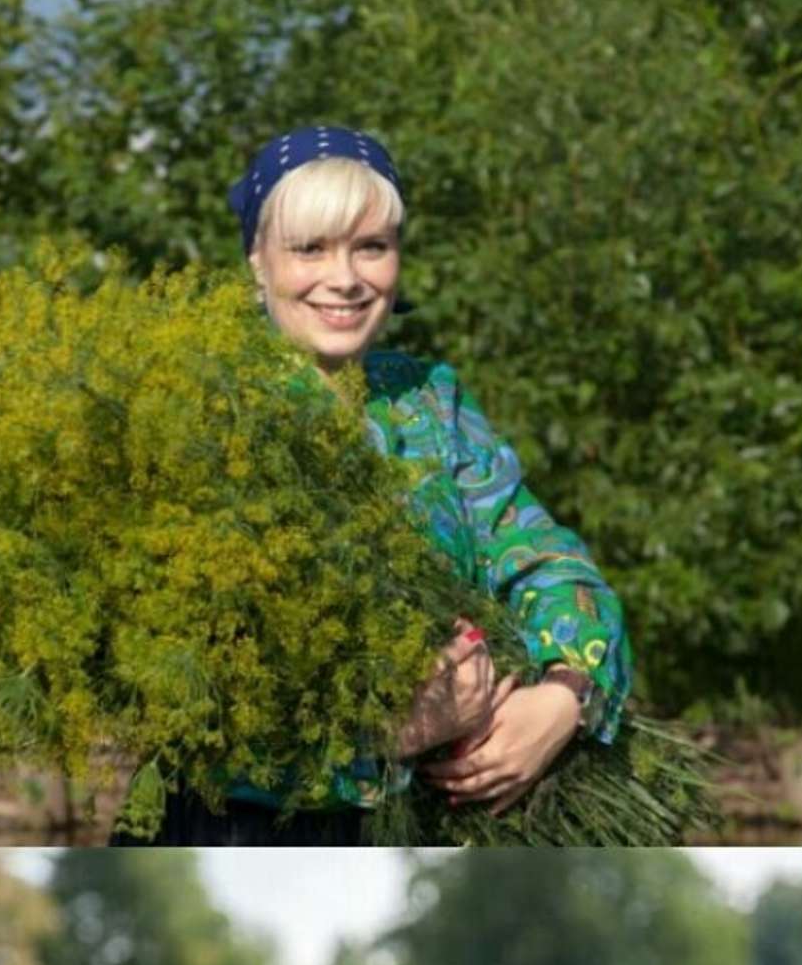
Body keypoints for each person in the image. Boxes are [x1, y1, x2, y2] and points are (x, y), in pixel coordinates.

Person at [143, 126, 633, 844]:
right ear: (257, 260)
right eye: (310, 248)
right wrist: (383, 734)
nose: (345, 278)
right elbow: (172, 679)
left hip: (437, 826)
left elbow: (541, 554)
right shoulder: (198, 412)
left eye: (370, 247)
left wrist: (564, 695)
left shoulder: (431, 400)